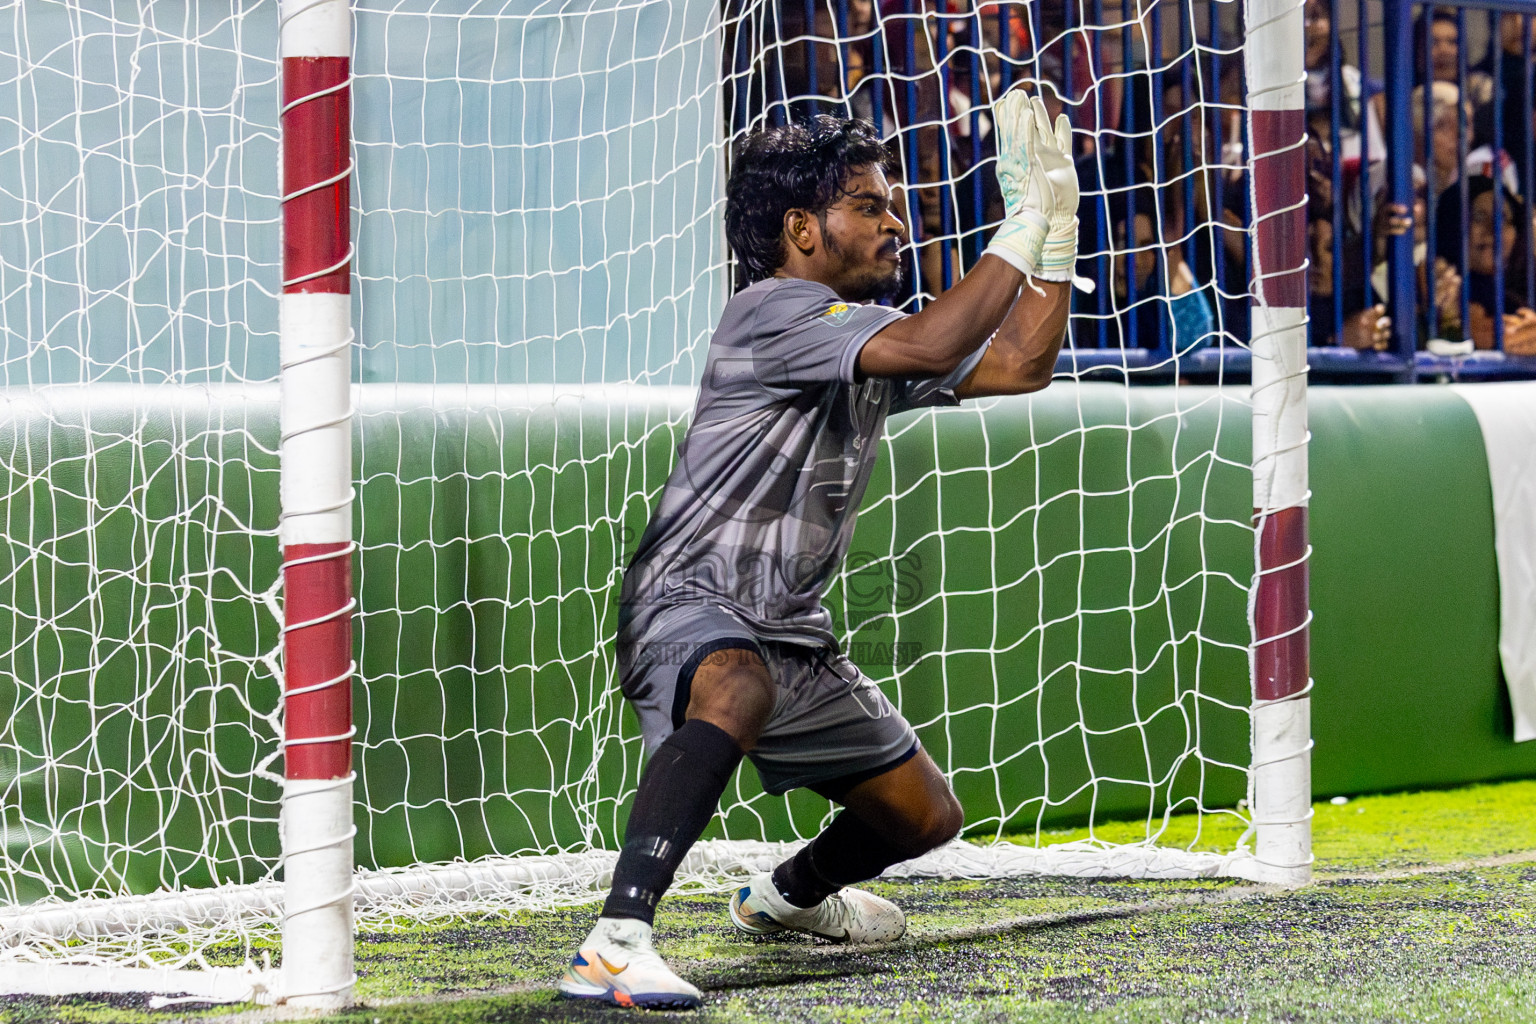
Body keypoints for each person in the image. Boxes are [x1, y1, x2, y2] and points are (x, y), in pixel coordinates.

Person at [556, 98, 1077, 1010]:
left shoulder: (859, 337)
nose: (893, 221)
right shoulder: (772, 314)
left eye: (890, 203)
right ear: (802, 229)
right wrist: (1020, 224)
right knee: (737, 684)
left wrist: (1059, 234)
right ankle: (615, 943)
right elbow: (941, 337)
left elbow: (1020, 365)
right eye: (869, 206)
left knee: (924, 816)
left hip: (788, 627)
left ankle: (787, 899)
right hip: (691, 602)